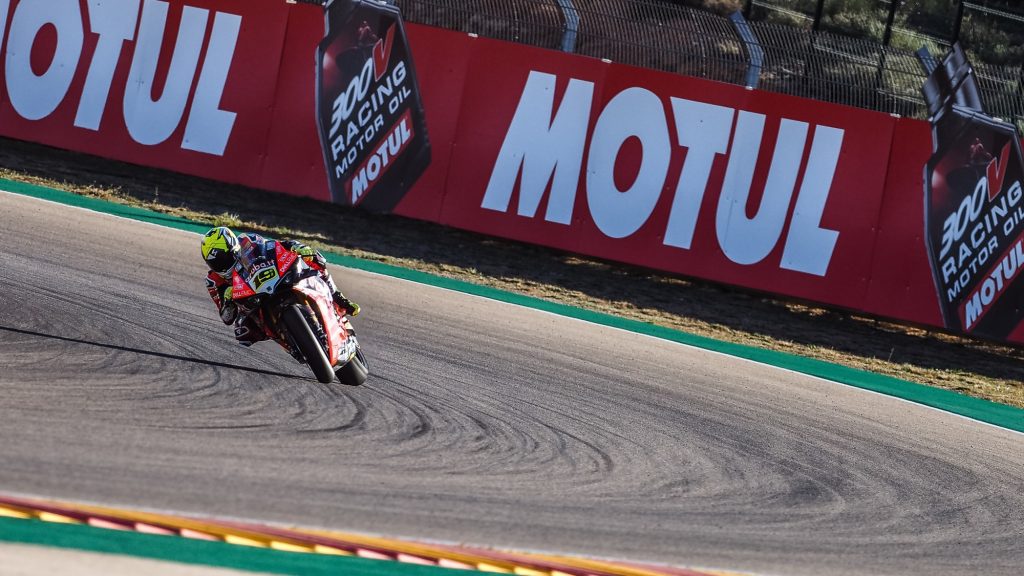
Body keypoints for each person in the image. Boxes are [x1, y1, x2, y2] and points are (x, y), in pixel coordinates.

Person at [200, 226, 359, 347]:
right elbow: (227, 318)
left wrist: (296, 247)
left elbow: (273, 246)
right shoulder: (213, 281)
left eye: (223, 258)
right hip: (251, 303)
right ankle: (287, 339)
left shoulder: (248, 241)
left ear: (233, 248)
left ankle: (338, 297)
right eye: (215, 263)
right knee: (243, 331)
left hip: (271, 279)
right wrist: (228, 300)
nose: (221, 265)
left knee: (314, 257)